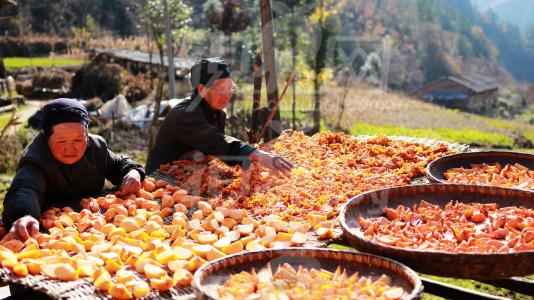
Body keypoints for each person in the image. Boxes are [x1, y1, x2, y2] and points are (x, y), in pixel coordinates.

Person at [2, 98, 145, 241]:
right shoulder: (36, 160)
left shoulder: (96, 147)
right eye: (61, 141)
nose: (70, 149)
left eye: (78, 140)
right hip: (53, 234)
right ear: (46, 137)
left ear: (87, 135)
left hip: (99, 226)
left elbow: (118, 164)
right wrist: (23, 215)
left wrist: (133, 172)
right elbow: (25, 189)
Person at [145, 57, 293, 175]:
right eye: (221, 89)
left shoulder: (218, 114)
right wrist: (258, 154)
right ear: (202, 89)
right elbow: (217, 141)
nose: (227, 95)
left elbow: (217, 150)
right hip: (161, 178)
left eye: (230, 88)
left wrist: (251, 159)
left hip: (190, 173)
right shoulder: (186, 114)